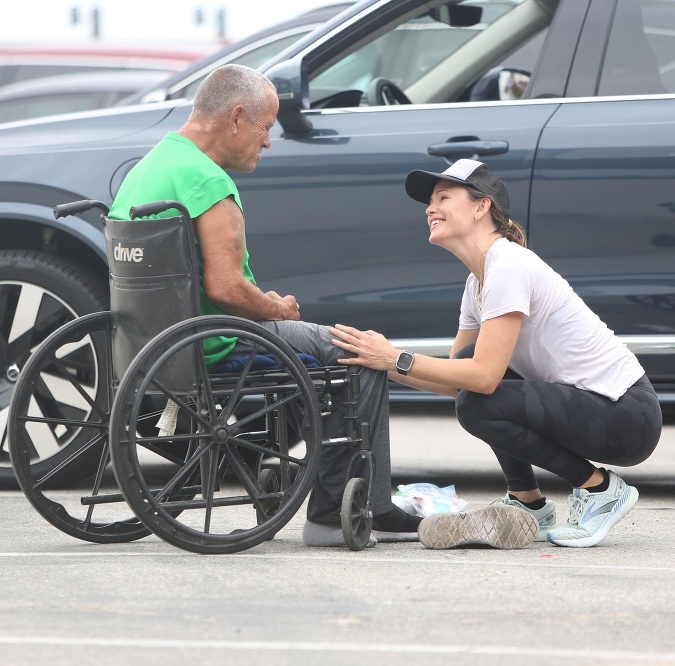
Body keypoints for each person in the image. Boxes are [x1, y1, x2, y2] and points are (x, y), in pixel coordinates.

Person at [108, 64, 421, 548]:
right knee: (359, 353)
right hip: (215, 341)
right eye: (266, 126)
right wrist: (275, 308)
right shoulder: (206, 181)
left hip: (153, 342)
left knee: (313, 356)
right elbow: (229, 288)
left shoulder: (150, 167)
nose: (269, 141)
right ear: (236, 118)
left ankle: (287, 467)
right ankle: (354, 511)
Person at [330, 158, 663, 549]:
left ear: (480, 206)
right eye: (430, 201)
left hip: (626, 415)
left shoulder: (507, 265)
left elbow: (482, 378)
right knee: (472, 377)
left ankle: (601, 489)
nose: (429, 208)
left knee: (479, 399)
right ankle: (528, 503)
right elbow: (457, 379)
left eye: (443, 197)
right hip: (595, 411)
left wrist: (398, 357)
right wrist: (378, 363)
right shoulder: (478, 282)